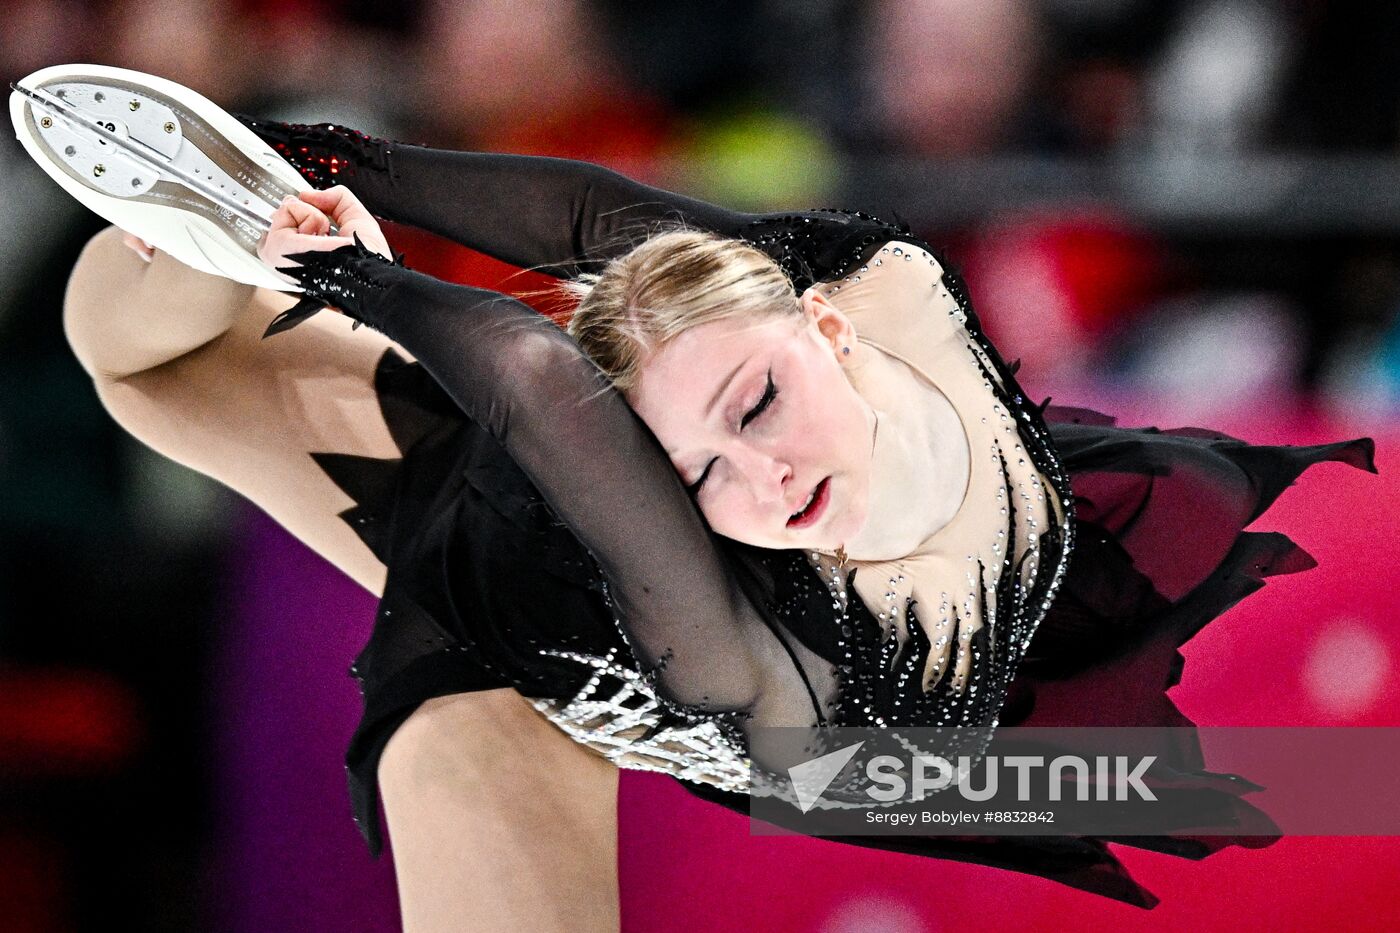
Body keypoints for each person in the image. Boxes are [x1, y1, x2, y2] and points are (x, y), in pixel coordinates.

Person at [41, 71, 1377, 923]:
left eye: (754, 415)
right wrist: (337, 211)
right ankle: (243, 219)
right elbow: (566, 294)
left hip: (787, 691)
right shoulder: (640, 520)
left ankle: (254, 221)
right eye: (709, 462)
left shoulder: (901, 361)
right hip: (533, 616)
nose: (768, 475)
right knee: (133, 353)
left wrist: (358, 233)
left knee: (1279, 779)